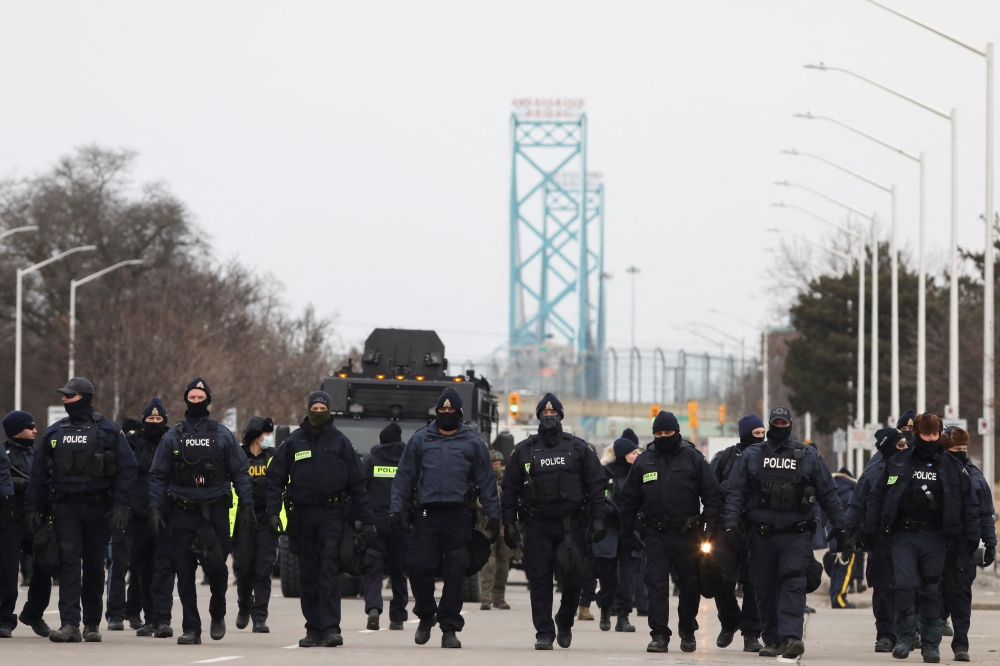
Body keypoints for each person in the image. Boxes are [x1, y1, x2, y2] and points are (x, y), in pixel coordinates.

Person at [723, 406, 845, 660]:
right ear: (770, 425)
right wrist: (731, 524)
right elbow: (736, 492)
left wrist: (840, 527)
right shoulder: (752, 455)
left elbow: (828, 494)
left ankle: (791, 637)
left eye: (783, 423)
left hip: (796, 534)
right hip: (760, 533)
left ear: (790, 424)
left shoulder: (807, 455)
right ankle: (772, 639)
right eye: (775, 423)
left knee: (793, 581)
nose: (779, 427)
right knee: (764, 587)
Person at [26, 377, 138, 643]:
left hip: (99, 508)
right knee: (68, 565)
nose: (64, 400)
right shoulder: (55, 432)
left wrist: (122, 505)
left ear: (84, 397)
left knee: (95, 566)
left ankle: (91, 624)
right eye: (64, 396)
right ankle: (70, 624)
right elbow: (38, 474)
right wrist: (32, 507)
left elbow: (128, 469)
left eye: (70, 396)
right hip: (66, 508)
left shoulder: (108, 430)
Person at [390, 388, 500, 649]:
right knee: (418, 566)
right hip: (426, 515)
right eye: (442, 410)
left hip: (458, 516)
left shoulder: (473, 443)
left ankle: (449, 628)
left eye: (451, 410)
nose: (446, 413)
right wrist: (397, 510)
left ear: (459, 413)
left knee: (455, 572)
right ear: (437, 412)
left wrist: (494, 515)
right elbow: (403, 478)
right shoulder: (420, 440)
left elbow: (486, 481)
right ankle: (427, 614)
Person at [865, 413, 980, 663]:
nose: (930, 438)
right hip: (904, 534)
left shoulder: (951, 465)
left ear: (939, 435)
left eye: (935, 434)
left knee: (932, 590)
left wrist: (971, 536)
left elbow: (969, 503)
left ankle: (931, 644)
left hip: (937, 536)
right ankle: (905, 637)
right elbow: (878, 497)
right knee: (904, 585)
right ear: (916, 434)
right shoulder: (898, 462)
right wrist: (870, 530)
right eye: (926, 434)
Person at [266, 391, 375, 648]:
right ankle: (313, 629)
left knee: (328, 569)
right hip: (301, 516)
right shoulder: (293, 442)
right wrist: (272, 513)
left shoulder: (340, 442)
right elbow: (274, 479)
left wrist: (367, 521)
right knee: (308, 573)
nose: (317, 411)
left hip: (332, 515)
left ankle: (330, 629)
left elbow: (358, 484)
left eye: (322, 407)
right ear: (308, 409)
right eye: (313, 407)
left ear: (328, 410)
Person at [148, 377, 252, 645]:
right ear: (186, 400)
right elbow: (158, 476)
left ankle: (217, 614)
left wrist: (247, 505)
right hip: (183, 511)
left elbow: (240, 472)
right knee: (183, 572)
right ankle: (191, 628)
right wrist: (156, 508)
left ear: (208, 400)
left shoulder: (222, 434)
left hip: (216, 510)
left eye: (200, 397)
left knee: (217, 570)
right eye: (192, 398)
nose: (196, 402)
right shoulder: (174, 435)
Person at [499, 394, 605, 650]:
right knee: (540, 579)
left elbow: (596, 486)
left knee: (573, 578)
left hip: (571, 525)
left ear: (560, 417)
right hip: (537, 525)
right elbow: (510, 489)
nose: (549, 418)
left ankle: (565, 620)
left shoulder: (579, 448)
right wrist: (509, 523)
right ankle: (544, 632)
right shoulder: (524, 450)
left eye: (553, 415)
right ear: (538, 418)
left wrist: (599, 517)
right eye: (544, 415)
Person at [619, 410, 721, 654]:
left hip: (688, 533)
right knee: (655, 583)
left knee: (689, 584)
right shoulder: (644, 461)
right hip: (655, 533)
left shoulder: (693, 458)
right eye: (659, 433)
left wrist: (710, 524)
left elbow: (713, 495)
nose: (664, 437)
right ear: (654, 434)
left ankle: (687, 630)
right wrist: (627, 531)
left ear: (677, 432)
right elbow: (629, 500)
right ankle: (659, 635)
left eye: (668, 433)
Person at [845, 427, 907, 653]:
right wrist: (846, 533)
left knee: (908, 585)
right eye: (900, 445)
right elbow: (856, 505)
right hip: (881, 539)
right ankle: (886, 634)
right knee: (882, 588)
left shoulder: (913, 467)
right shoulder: (873, 473)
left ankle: (909, 631)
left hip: (908, 537)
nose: (906, 448)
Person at [940, 426, 996, 662]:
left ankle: (961, 644)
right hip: (936, 543)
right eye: (955, 450)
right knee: (931, 592)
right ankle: (927, 634)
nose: (961, 453)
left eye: (963, 449)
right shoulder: (934, 473)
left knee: (961, 595)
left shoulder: (975, 477)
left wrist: (990, 542)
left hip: (964, 545)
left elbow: (986, 513)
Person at [708, 414, 763, 652]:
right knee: (723, 580)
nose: (760, 438)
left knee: (753, 583)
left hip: (755, 528)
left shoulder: (768, 457)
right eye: (756, 433)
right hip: (725, 529)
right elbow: (709, 490)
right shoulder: (724, 458)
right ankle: (729, 621)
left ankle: (751, 633)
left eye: (763, 433)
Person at [115, 400, 169, 636]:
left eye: (159, 419)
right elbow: (131, 467)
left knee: (165, 568)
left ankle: (163, 619)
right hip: (139, 515)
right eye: (151, 419)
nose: (155, 423)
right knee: (143, 569)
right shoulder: (132, 441)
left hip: (167, 513)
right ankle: (150, 618)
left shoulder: (172, 438)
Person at [0, 411, 51, 639]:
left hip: (35, 516)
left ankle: (33, 613)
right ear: (16, 430)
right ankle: (4, 619)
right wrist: (25, 484)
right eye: (30, 426)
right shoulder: (4, 452)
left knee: (45, 565)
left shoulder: (37, 453)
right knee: (8, 571)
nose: (35, 430)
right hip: (10, 518)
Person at [361, 422, 409, 630]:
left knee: (373, 569)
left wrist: (361, 520)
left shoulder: (370, 462)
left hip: (376, 524)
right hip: (401, 524)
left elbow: (359, 491)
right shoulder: (408, 463)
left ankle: (373, 607)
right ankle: (397, 617)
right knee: (399, 571)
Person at [233, 416, 277, 633]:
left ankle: (260, 617)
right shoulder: (238, 456)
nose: (269, 438)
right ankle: (244, 605)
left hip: (266, 520)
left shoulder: (274, 457)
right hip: (242, 520)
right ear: (256, 435)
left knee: (264, 569)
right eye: (266, 434)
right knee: (243, 568)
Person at [594, 436, 641, 633]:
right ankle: (605, 609)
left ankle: (623, 616)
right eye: (633, 453)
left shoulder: (639, 472)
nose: (637, 455)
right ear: (623, 455)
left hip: (630, 532)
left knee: (628, 576)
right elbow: (597, 498)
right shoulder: (605, 473)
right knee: (607, 576)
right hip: (609, 530)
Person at [479, 449, 515, 611]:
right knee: (489, 562)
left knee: (503, 563)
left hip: (504, 526)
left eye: (499, 464)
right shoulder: (482, 480)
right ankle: (486, 598)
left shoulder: (507, 480)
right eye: (494, 464)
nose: (497, 467)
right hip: (487, 525)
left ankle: (499, 598)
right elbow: (479, 503)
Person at [828, 467, 858, 609]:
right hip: (847, 536)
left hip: (833, 535)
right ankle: (839, 598)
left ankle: (834, 595)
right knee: (845, 569)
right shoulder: (852, 493)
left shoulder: (831, 492)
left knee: (836, 567)